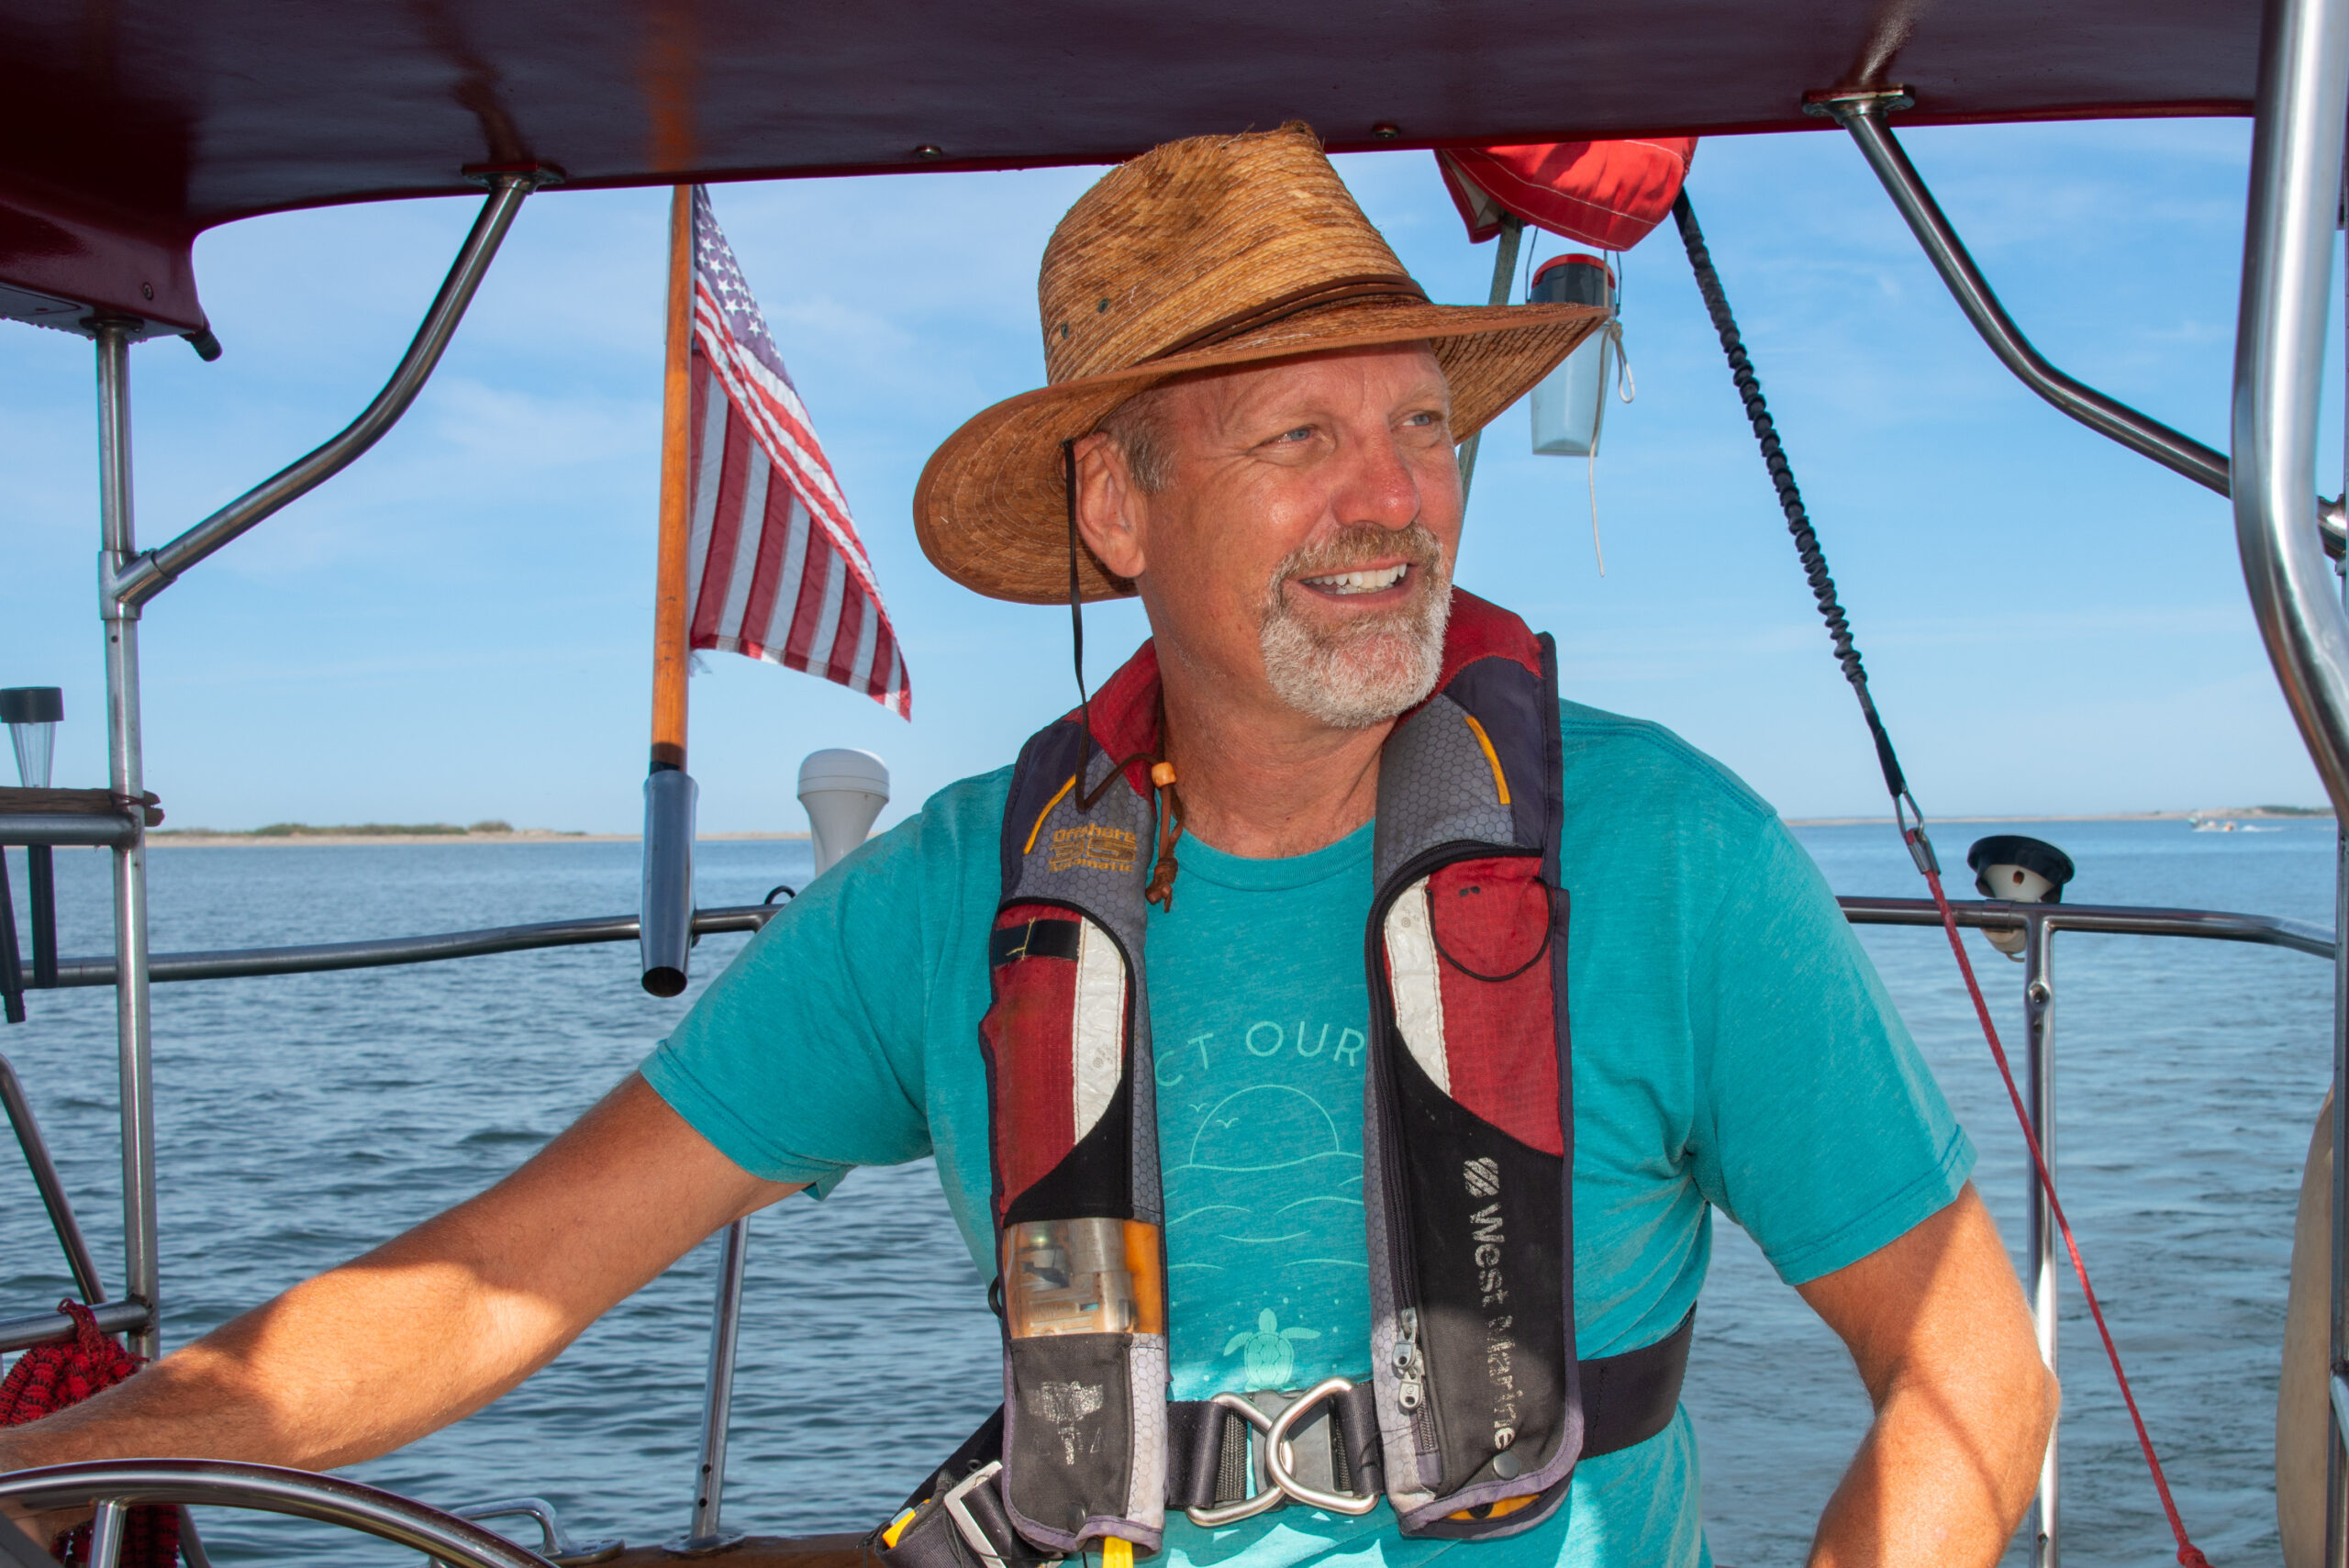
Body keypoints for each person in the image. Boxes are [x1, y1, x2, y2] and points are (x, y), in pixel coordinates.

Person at [0, 124, 2054, 1568]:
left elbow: (1964, 1363)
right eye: (1295, 439)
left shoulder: (1668, 856)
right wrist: (72, 1462)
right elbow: (479, 1289)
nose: (1394, 501)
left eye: (1422, 423)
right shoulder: (956, 903)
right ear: (1117, 512)